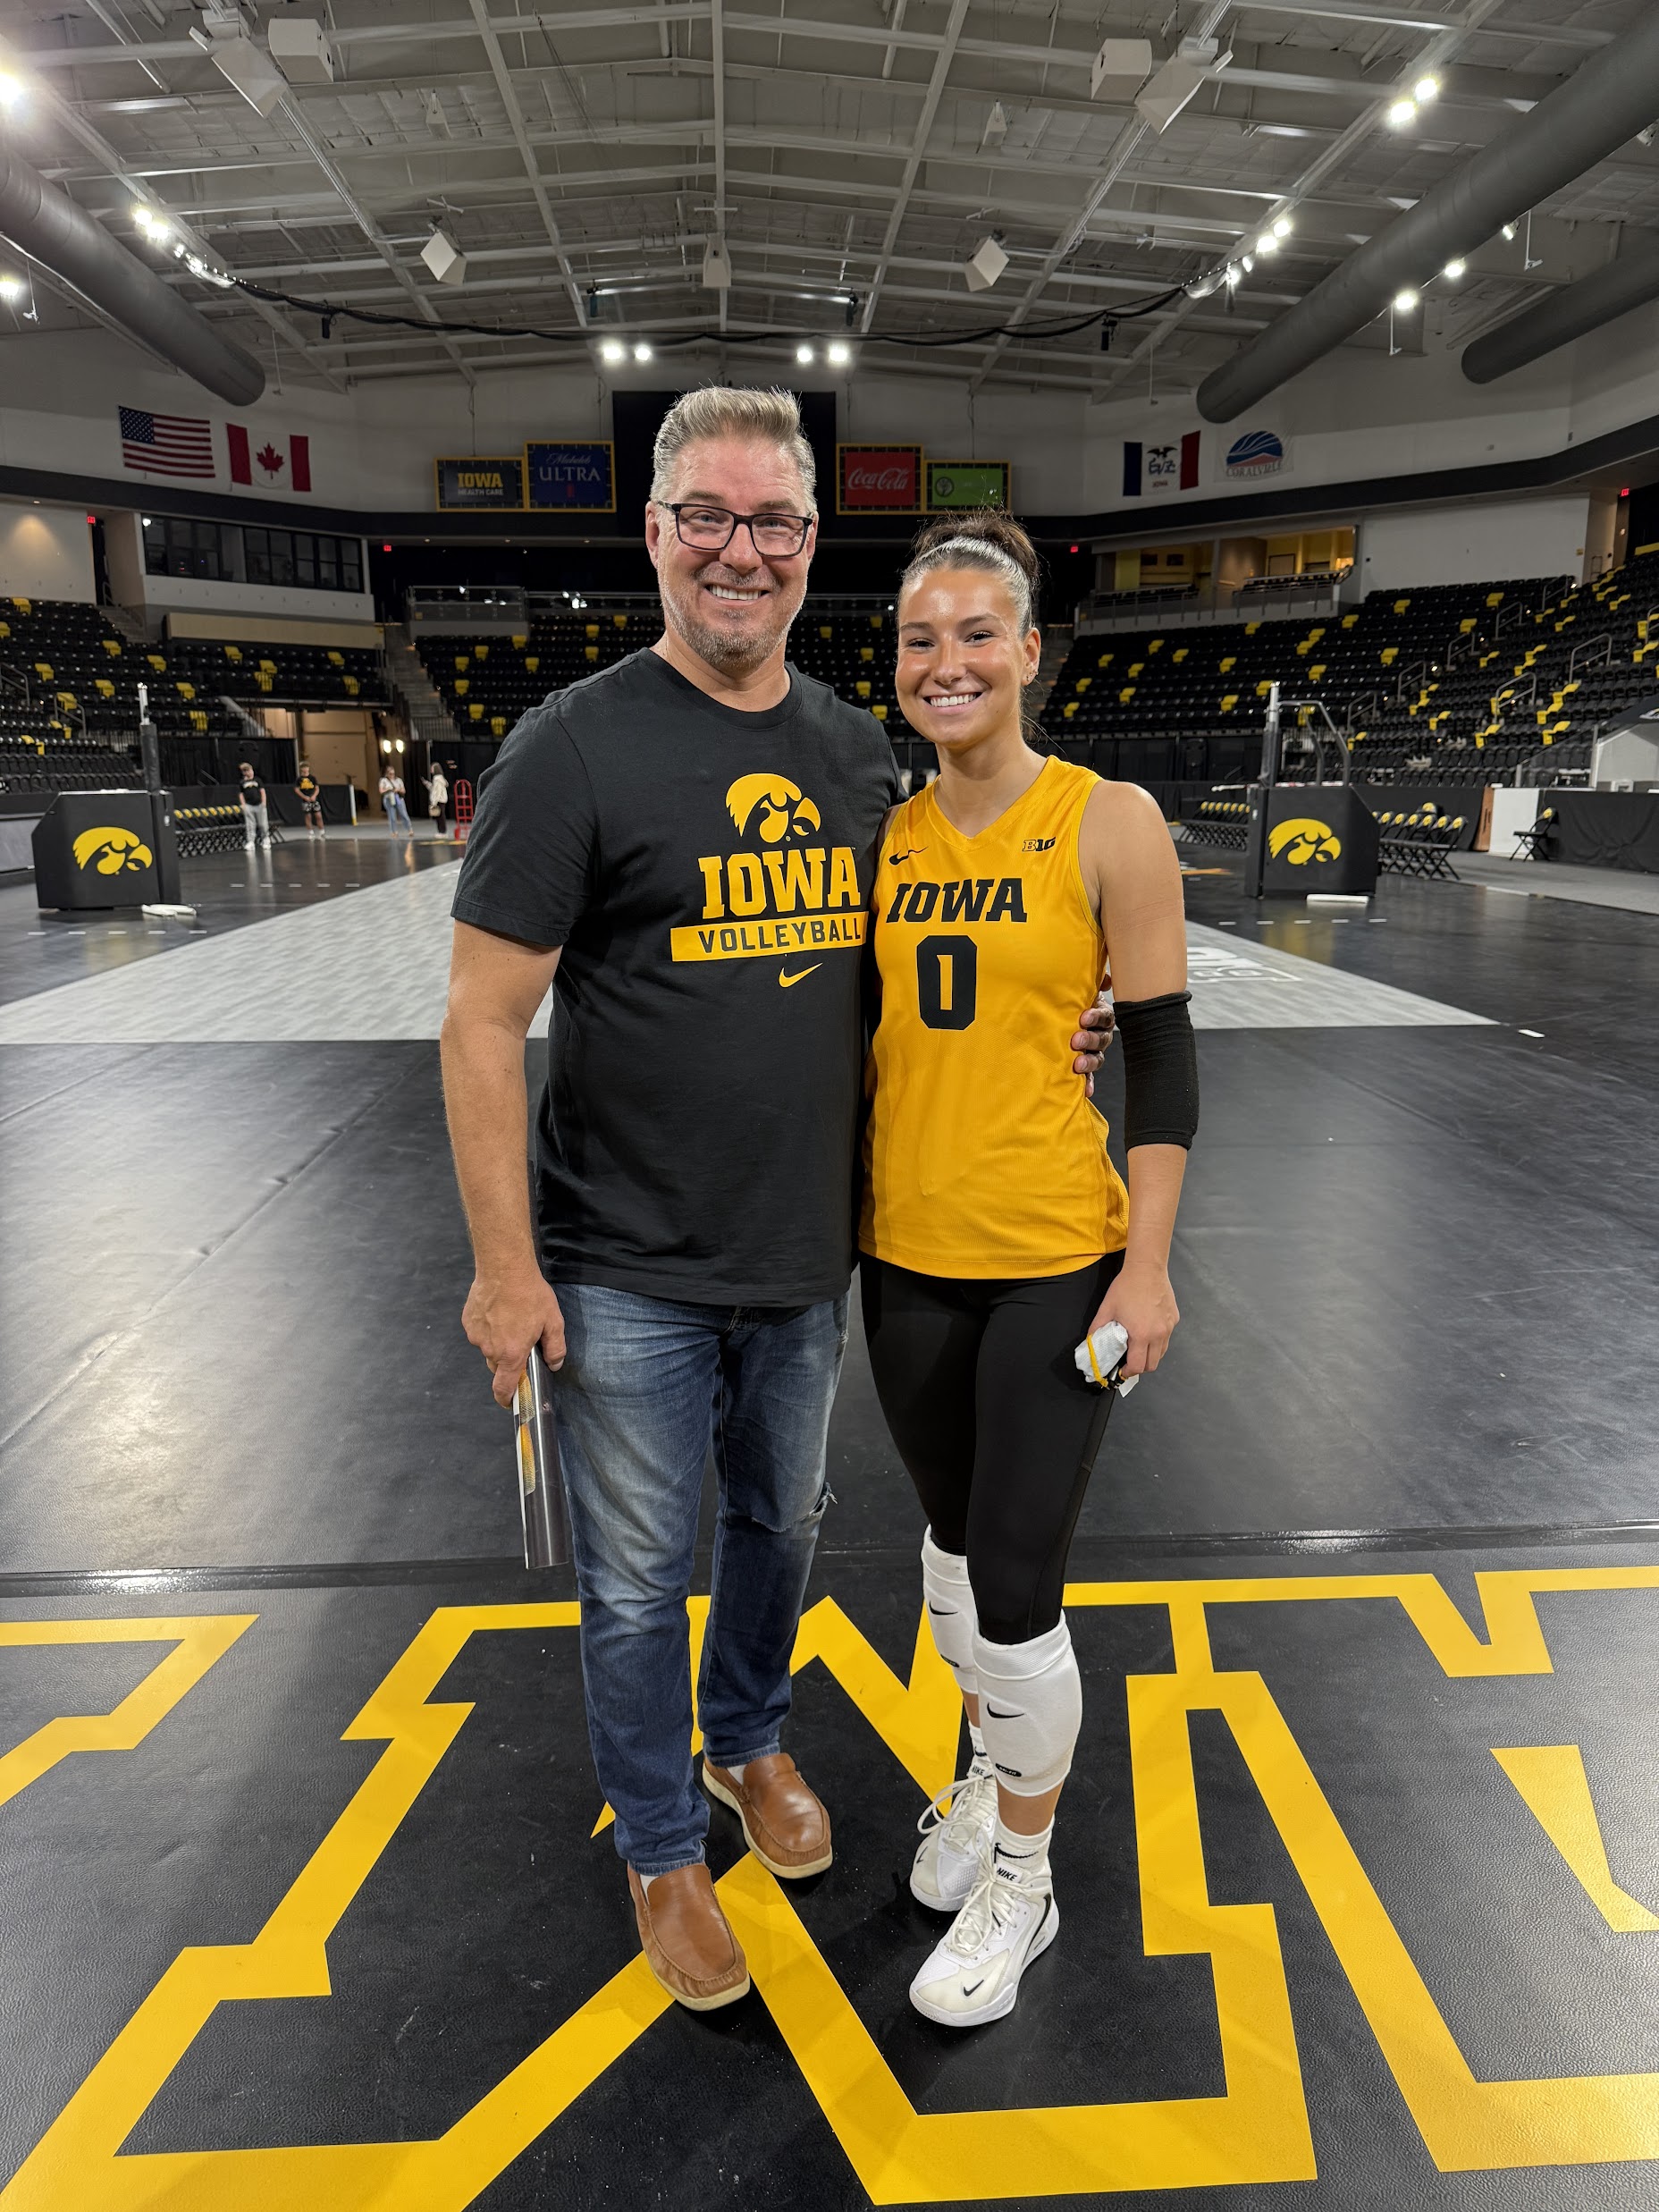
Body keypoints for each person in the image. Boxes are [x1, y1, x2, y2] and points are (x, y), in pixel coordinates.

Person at [439, 389, 1111, 2016]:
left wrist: (1074, 1017)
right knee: (630, 1572)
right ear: (657, 534)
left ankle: (744, 1742)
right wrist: (502, 1269)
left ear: (812, 548)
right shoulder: (575, 744)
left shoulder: (846, 745)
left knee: (777, 1531)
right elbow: (480, 1019)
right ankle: (662, 1840)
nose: (740, 550)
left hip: (809, 1254)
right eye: (708, 517)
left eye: (774, 522)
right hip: (622, 1262)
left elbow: (928, 965)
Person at [858, 513, 1198, 2030]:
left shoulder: (1108, 818)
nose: (947, 661)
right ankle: (989, 1773)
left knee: (1012, 1586)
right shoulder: (886, 832)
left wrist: (1151, 1267)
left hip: (1060, 1255)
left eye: (975, 634)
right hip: (905, 1251)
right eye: (921, 639)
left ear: (1028, 652)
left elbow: (1169, 1066)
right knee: (942, 1553)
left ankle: (1026, 1870)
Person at [237, 762, 268, 851]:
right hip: (249, 806)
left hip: (259, 805)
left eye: (250, 770)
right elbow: (241, 794)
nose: (249, 773)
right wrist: (243, 805)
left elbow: (262, 791)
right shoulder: (242, 782)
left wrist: (264, 803)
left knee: (262, 824)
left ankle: (265, 839)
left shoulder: (257, 780)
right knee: (250, 825)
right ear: (244, 773)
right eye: (246, 771)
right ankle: (251, 842)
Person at [379, 764, 412, 837]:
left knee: (403, 814)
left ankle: (409, 829)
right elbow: (381, 791)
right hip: (389, 799)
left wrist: (398, 790)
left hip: (398, 798)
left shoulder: (398, 780)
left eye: (393, 774)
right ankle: (394, 831)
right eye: (390, 774)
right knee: (392, 816)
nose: (392, 775)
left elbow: (403, 791)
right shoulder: (383, 780)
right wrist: (388, 789)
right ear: (387, 773)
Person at [296, 764, 324, 837]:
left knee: (318, 815)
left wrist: (314, 796)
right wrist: (304, 797)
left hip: (314, 800)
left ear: (308, 769)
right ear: (301, 769)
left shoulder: (312, 778)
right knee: (308, 816)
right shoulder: (299, 779)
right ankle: (310, 832)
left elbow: (317, 788)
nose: (305, 769)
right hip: (305, 800)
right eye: (304, 768)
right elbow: (297, 790)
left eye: (306, 768)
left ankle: (322, 832)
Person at [425, 759, 450, 840]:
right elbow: (434, 789)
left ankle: (442, 832)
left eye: (432, 768)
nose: (431, 770)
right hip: (442, 800)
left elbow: (437, 792)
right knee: (440, 816)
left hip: (439, 800)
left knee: (440, 817)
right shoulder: (439, 779)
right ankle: (441, 831)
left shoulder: (437, 779)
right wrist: (428, 785)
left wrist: (434, 802)